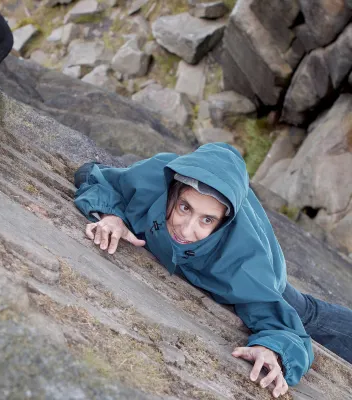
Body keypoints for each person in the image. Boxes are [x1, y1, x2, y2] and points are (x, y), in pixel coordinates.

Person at [74, 142, 352, 397]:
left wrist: (273, 350)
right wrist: (111, 216)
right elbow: (94, 175)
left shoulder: (243, 266)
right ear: (173, 192)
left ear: (221, 223)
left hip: (264, 274)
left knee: (305, 314)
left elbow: (284, 326)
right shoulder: (157, 179)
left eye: (207, 220)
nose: (186, 228)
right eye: (184, 207)